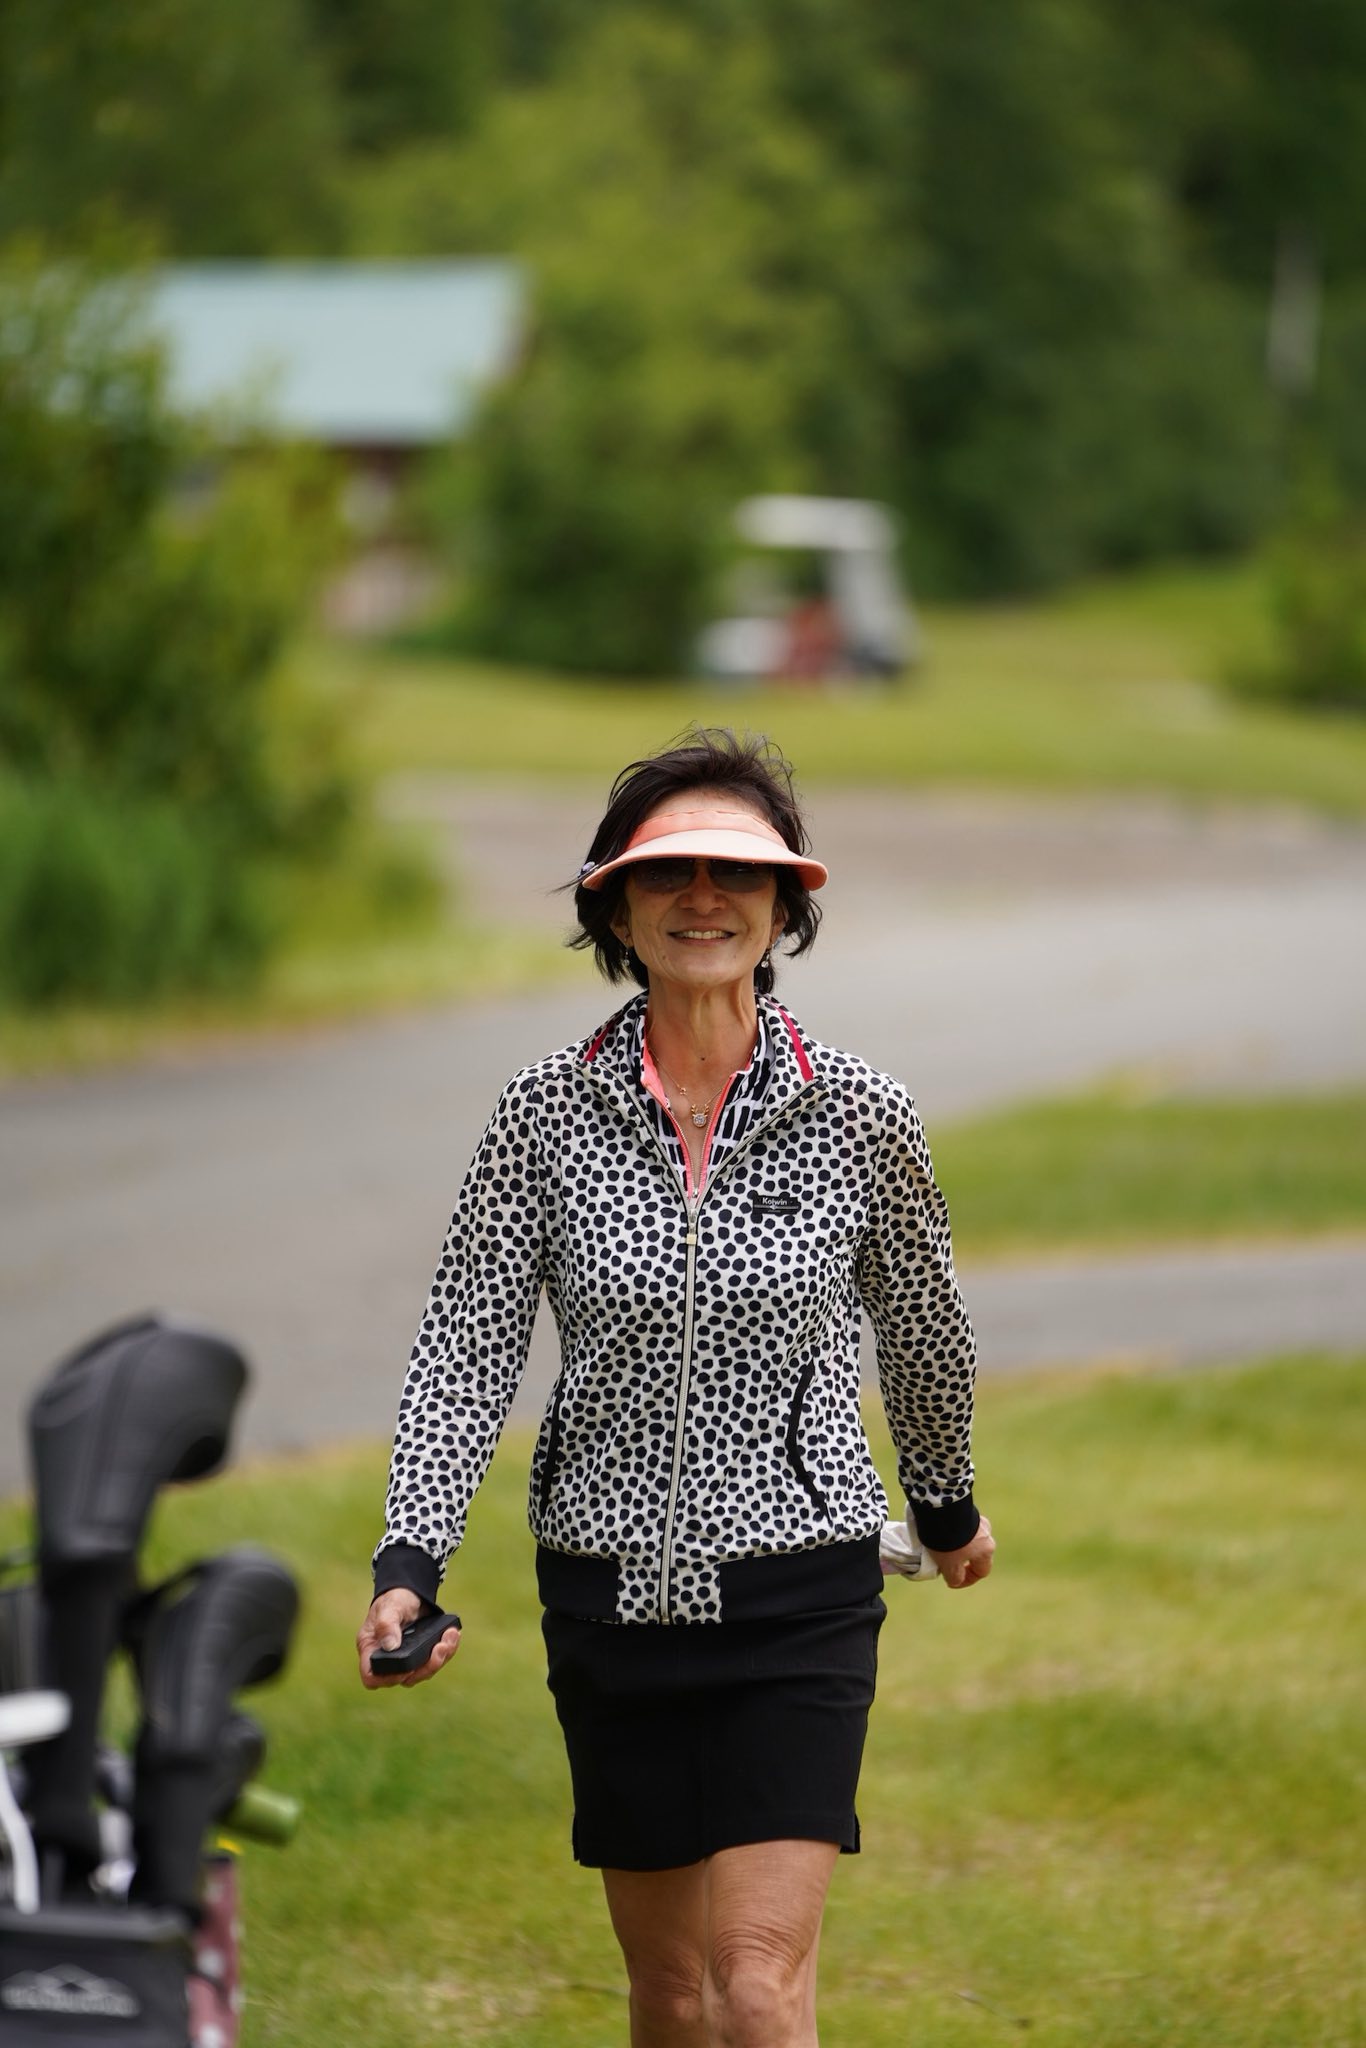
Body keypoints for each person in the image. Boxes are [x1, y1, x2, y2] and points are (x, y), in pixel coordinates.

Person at [357, 729, 994, 2048]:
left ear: (782, 908)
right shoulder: (540, 1117)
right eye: (669, 875)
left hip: (799, 1589)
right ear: (615, 902)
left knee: (756, 1979)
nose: (702, 900)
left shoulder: (861, 1115)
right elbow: (465, 1349)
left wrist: (940, 1507)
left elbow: (923, 1330)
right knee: (669, 1994)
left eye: (735, 876)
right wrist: (408, 1559)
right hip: (607, 1597)